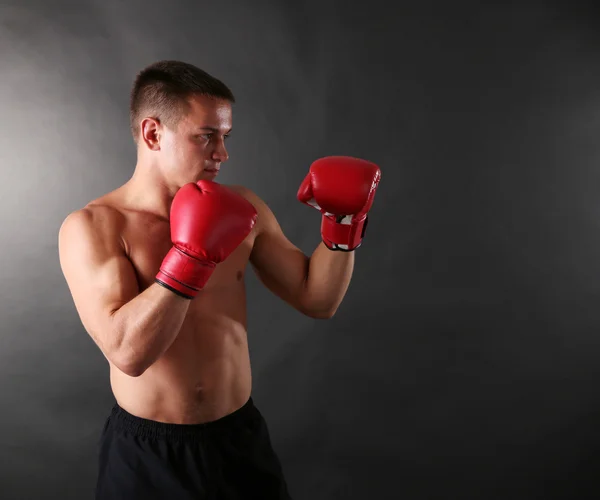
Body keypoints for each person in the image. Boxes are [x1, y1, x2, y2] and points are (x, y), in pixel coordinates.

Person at [58, 60, 381, 500]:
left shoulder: (242, 208)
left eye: (225, 137)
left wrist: (343, 225)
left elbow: (317, 299)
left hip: (238, 442)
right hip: (149, 456)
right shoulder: (94, 226)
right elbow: (128, 353)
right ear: (153, 133)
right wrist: (191, 258)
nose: (222, 154)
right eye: (206, 136)